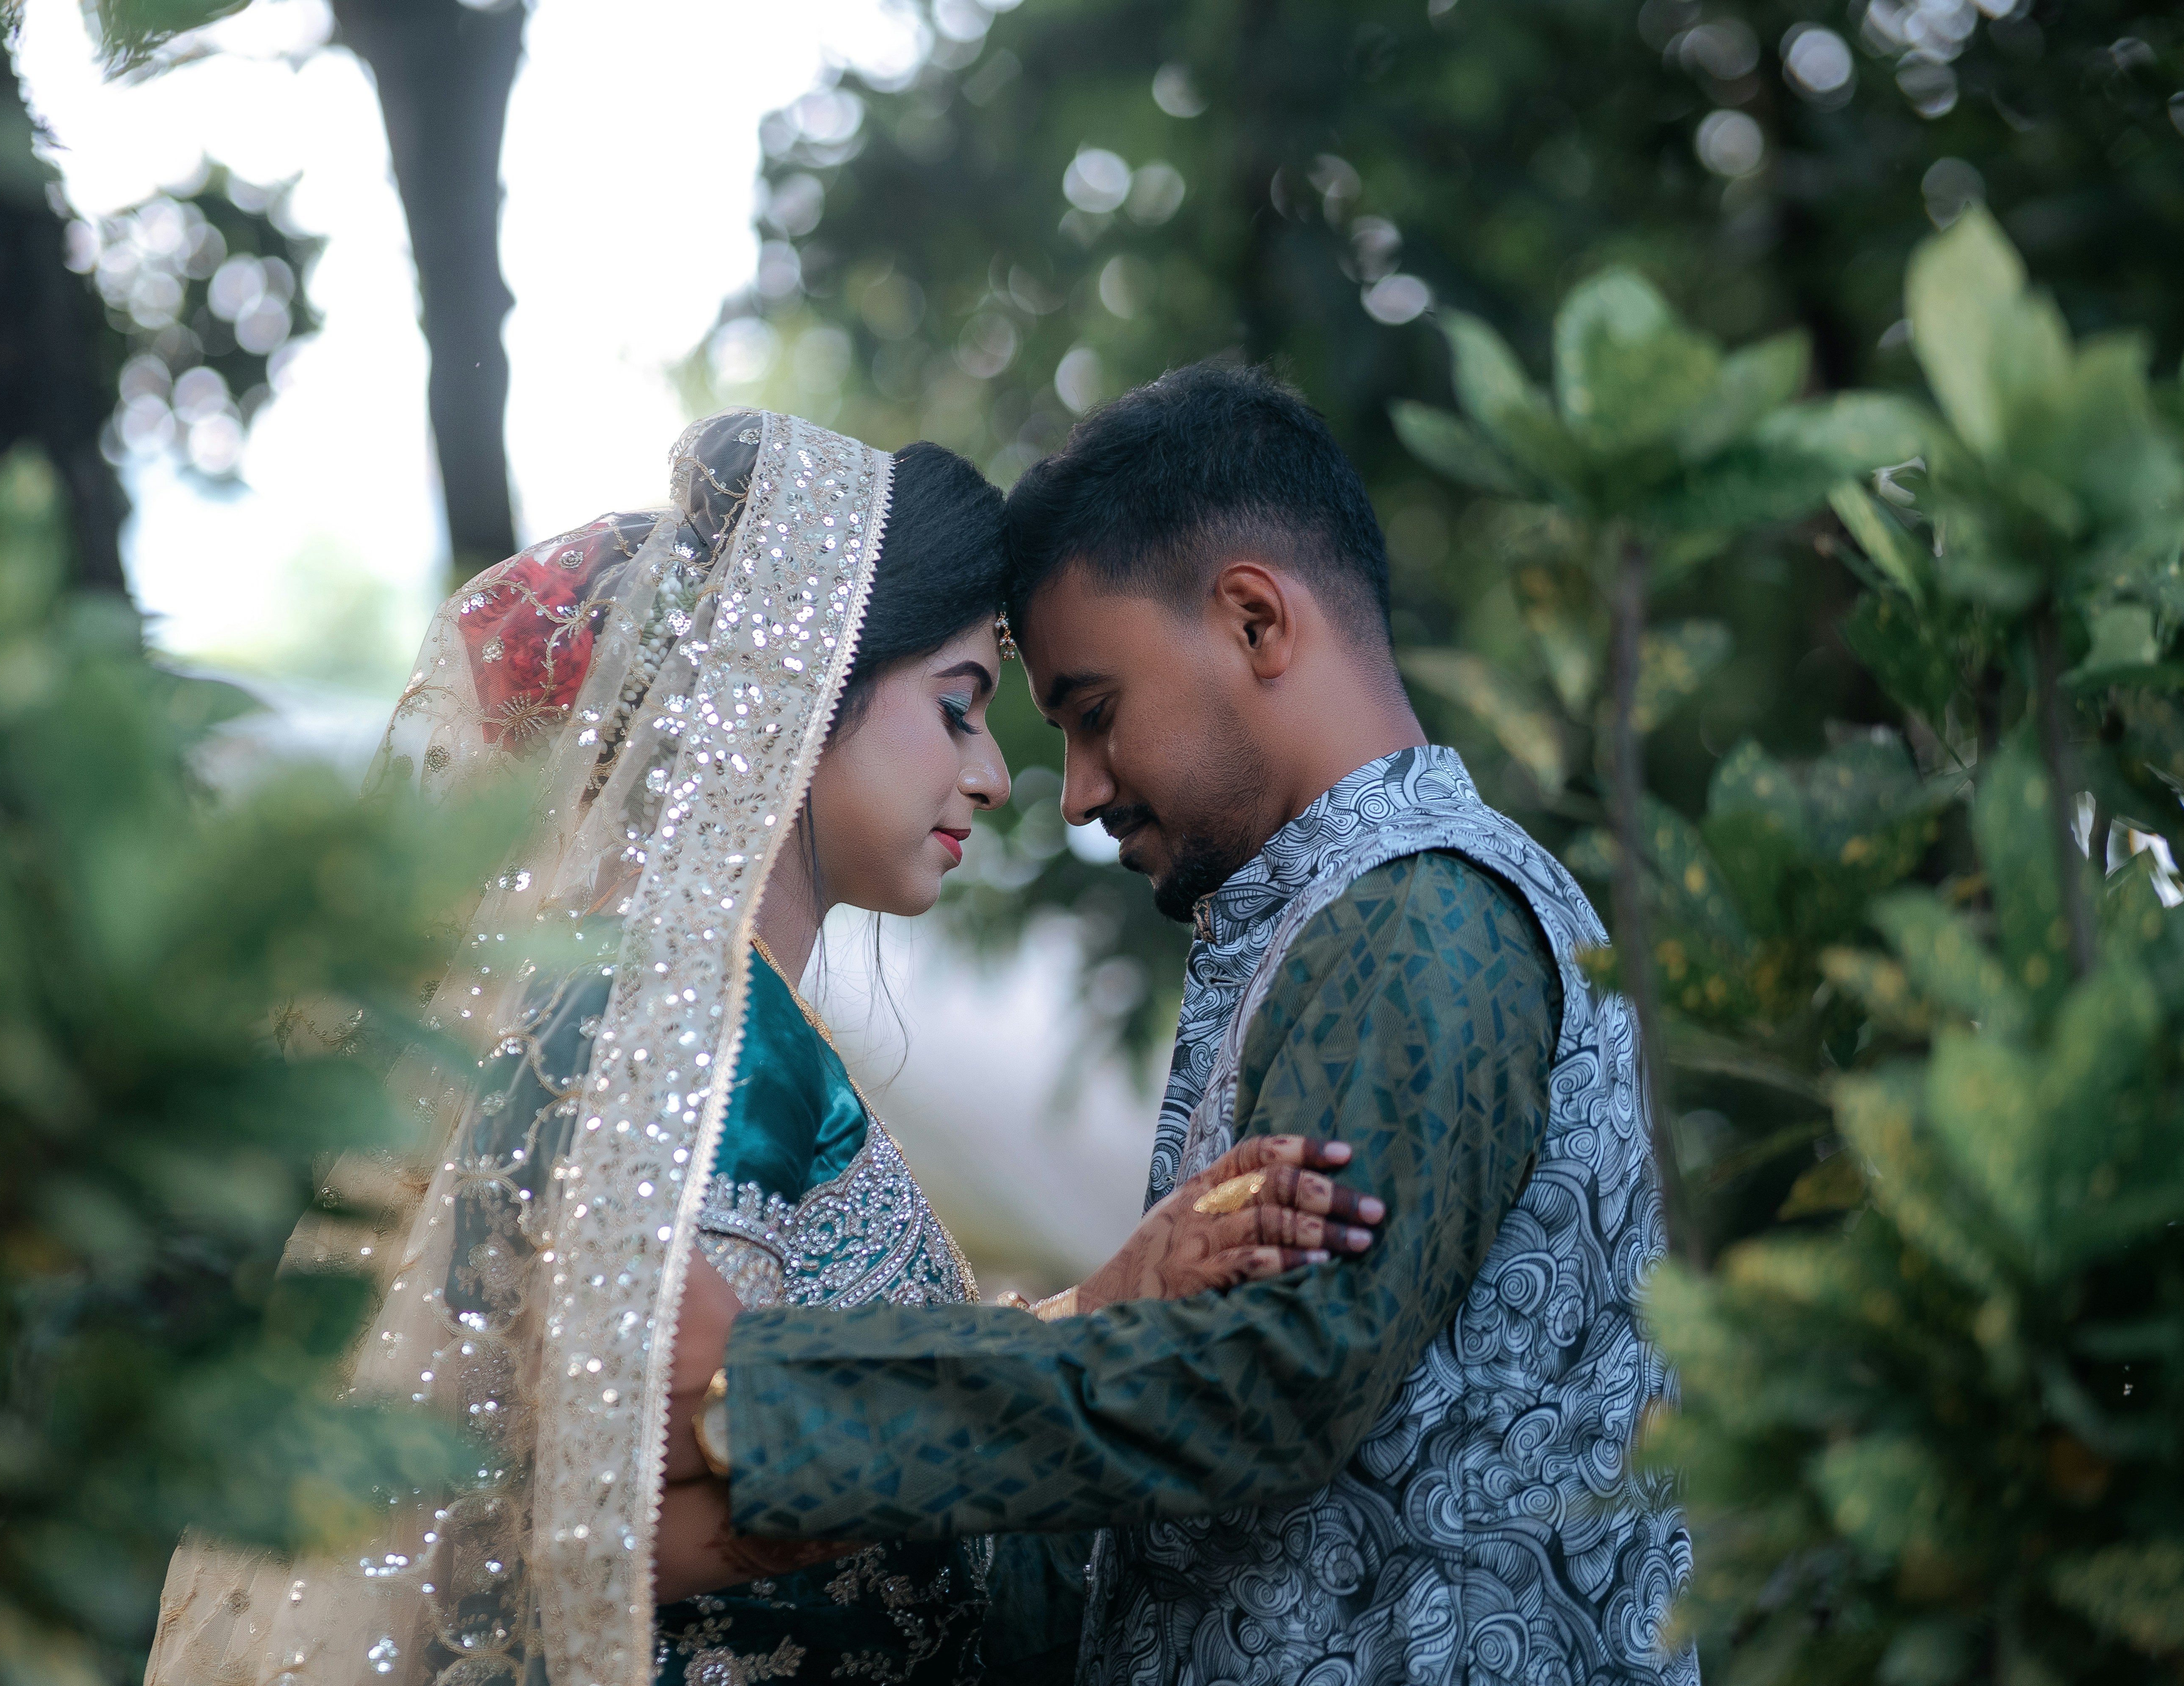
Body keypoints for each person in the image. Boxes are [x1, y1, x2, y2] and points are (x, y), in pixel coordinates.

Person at [141, 410, 1386, 1686]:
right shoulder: (701, 1030)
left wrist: (1102, 1303)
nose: (996, 777)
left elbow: (761, 1406)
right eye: (959, 709)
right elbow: (617, 1516)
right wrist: (1097, 1348)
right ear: (801, 684)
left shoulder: (681, 1011)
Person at [666, 366, 1697, 1686]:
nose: (1078, 793)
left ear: (1256, 621)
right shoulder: (1333, 921)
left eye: (1094, 715)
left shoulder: (1423, 916)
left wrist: (759, 1399)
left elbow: (1261, 1388)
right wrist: (1105, 1301)